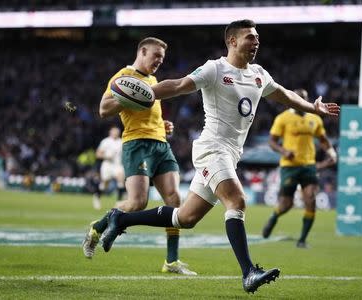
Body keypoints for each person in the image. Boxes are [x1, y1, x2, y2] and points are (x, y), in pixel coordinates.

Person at [100, 20, 339, 293]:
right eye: (250, 37)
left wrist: (313, 108)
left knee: (185, 218)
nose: (256, 41)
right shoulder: (214, 69)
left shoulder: (259, 74)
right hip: (212, 149)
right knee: (236, 201)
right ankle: (249, 272)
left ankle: (121, 219)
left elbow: (283, 95)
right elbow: (178, 85)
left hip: (231, 154)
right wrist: (147, 93)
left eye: (257, 37)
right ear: (232, 41)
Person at [82, 37, 197, 276]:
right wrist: (124, 100)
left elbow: (149, 116)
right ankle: (97, 228)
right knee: (137, 203)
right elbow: (103, 110)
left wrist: (163, 125)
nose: (159, 61)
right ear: (142, 51)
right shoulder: (123, 77)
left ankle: (171, 261)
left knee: (174, 199)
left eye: (162, 59)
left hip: (161, 145)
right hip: (137, 144)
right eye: (156, 56)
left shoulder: (153, 81)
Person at [261, 88, 337, 248]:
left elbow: (323, 139)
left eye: (304, 99)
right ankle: (274, 217)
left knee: (310, 199)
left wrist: (331, 152)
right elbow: (272, 141)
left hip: (309, 165)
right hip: (289, 166)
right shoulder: (283, 118)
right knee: (286, 205)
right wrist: (283, 150)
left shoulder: (315, 119)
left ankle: (302, 240)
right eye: (298, 98)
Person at [92, 126, 125, 210]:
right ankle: (97, 197)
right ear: (110, 132)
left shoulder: (121, 142)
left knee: (120, 180)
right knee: (104, 184)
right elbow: (98, 154)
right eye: (114, 131)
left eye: (117, 132)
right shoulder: (106, 141)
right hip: (107, 165)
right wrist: (106, 156)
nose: (115, 133)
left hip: (117, 165)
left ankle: (119, 204)